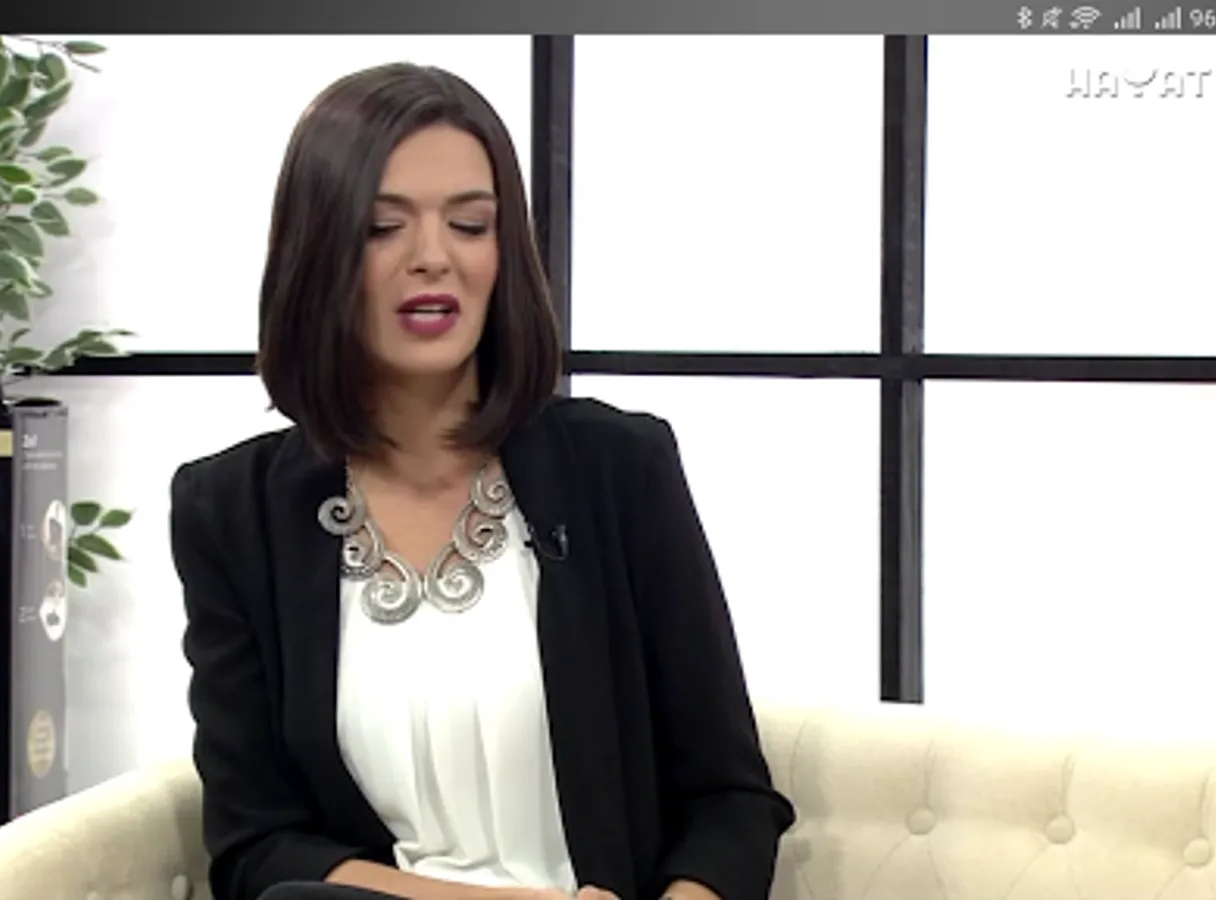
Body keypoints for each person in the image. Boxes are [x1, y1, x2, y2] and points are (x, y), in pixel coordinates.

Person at [170, 62, 794, 900]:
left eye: (469, 224)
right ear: (318, 253)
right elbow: (257, 847)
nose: (433, 259)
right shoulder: (230, 511)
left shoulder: (619, 468)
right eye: (382, 228)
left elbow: (730, 804)